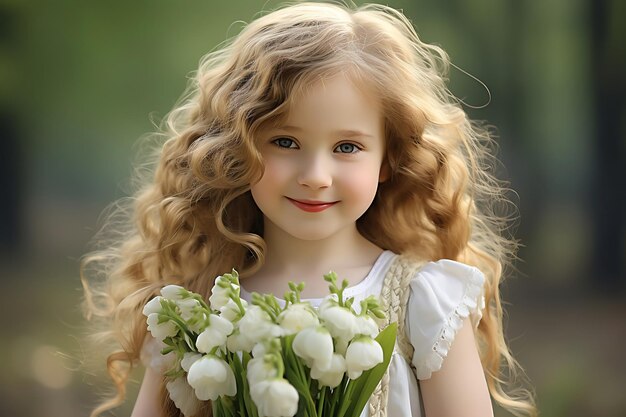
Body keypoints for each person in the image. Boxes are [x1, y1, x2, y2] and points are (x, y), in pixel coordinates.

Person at [81, 2, 537, 417]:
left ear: (388, 160)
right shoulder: (200, 309)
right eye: (285, 142)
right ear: (239, 150)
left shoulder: (422, 303)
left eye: (346, 146)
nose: (316, 174)